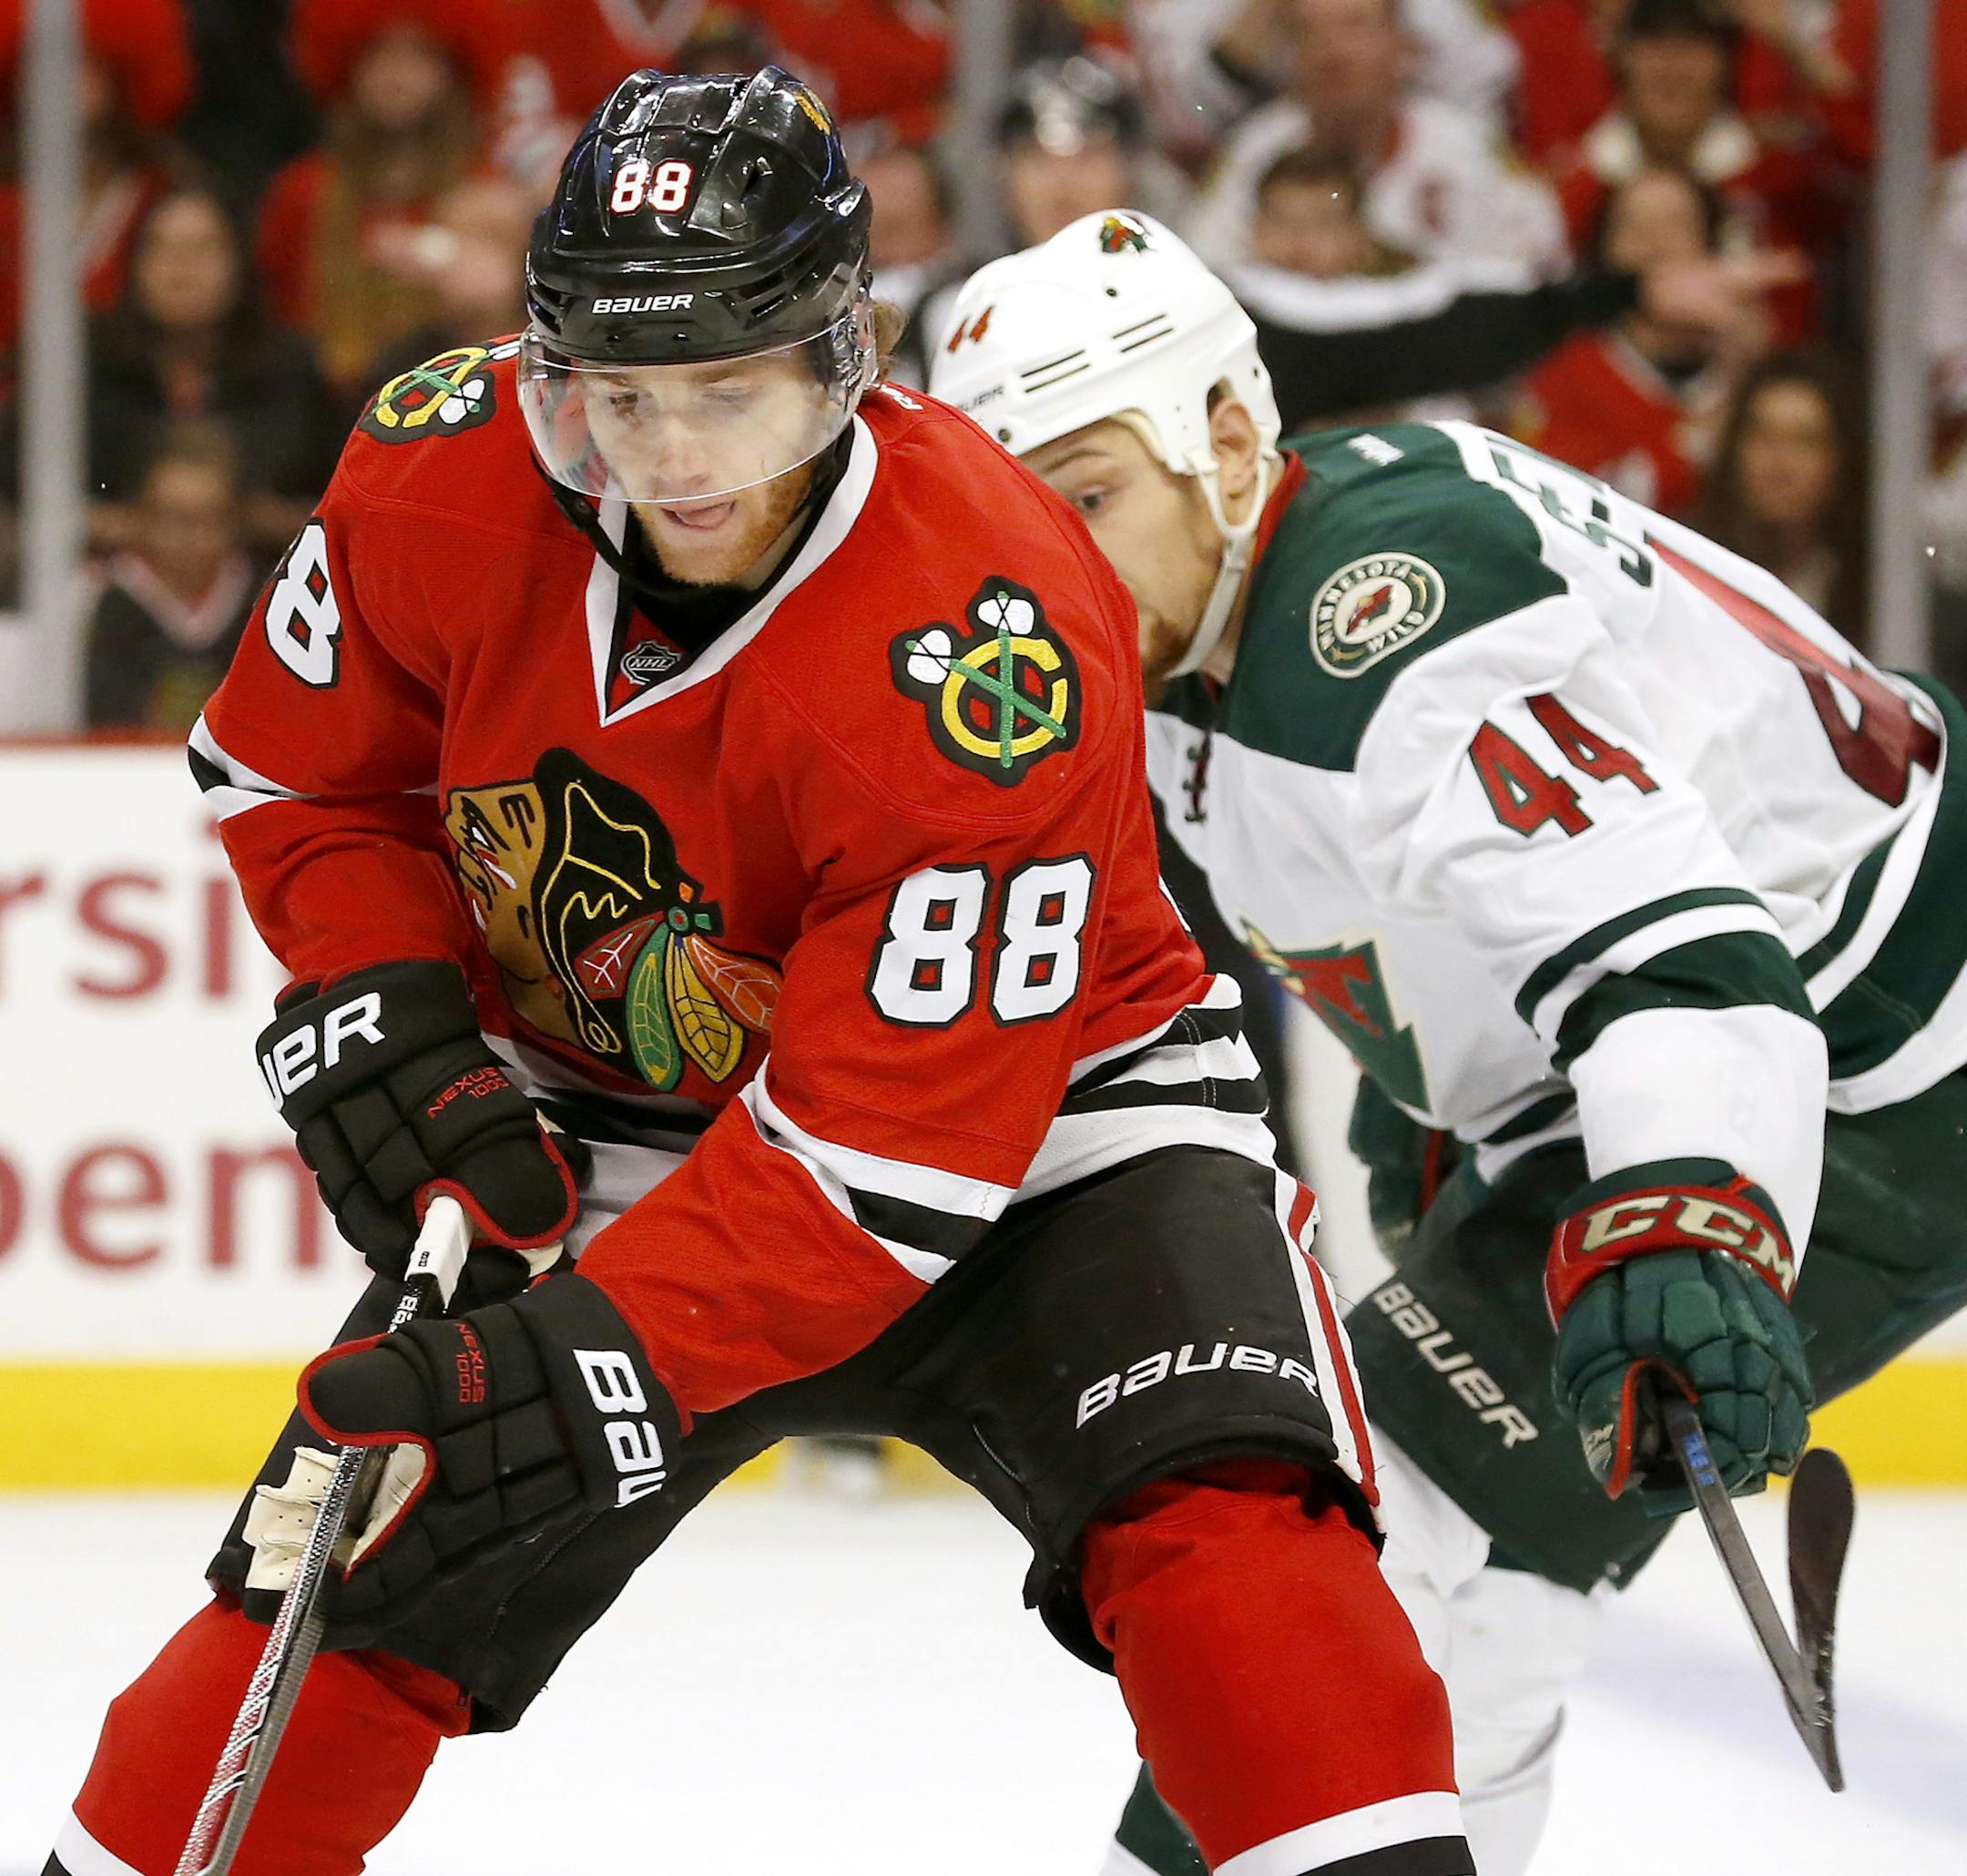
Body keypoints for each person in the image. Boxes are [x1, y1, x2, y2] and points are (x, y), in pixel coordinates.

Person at [46, 71, 1473, 1876]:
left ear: (845, 354)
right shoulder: (432, 459)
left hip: (1045, 1134)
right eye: (623, 396)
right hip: (606, 1127)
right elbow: (295, 774)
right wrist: (394, 1004)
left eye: (730, 387)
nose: (678, 454)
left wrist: (560, 1377)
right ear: (550, 369)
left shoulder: (995, 634)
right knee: (344, 1577)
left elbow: (884, 1163)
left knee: (1222, 1515)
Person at [930, 209, 1967, 1876]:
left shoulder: (1378, 630)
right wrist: (1448, 1139)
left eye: (1087, 497)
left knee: (1363, 1541)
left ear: (1220, 431)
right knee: (1464, 1573)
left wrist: (1687, 1211)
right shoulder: (1216, 619)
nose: (1042, 569)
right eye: (1006, 524)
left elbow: (1682, 961)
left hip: (1870, 1060)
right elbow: (1479, 926)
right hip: (1758, 1042)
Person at [1181, 0, 1566, 278]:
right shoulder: (1256, 152)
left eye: (1355, 25)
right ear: (1290, 56)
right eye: (1310, 32)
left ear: (1403, 46)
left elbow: (1538, 265)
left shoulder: (1464, 149)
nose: (1334, 50)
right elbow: (1203, 271)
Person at [84, 182, 340, 564]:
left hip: (266, 581)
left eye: (202, 248)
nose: (180, 267)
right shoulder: (86, 364)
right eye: (161, 247)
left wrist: (260, 521)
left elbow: (334, 504)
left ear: (239, 263)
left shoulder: (291, 368)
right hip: (101, 580)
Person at [1514, 165, 1751, 515]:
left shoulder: (1752, 371)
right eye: (1631, 223)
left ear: (1712, 243)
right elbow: (1560, 507)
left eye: (1676, 223)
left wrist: (1746, 375)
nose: (1653, 240)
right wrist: (1689, 450)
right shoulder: (1559, 374)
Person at [79, 421, 254, 732]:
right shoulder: (113, 604)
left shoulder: (263, 602)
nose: (188, 538)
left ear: (233, 520)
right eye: (173, 518)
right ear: (143, 516)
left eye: (207, 519)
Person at [1694, 348, 1866, 645]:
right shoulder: (1690, 565)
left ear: (1842, 459)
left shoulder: (1874, 585)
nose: (1779, 463)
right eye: (1762, 435)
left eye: (1805, 441)